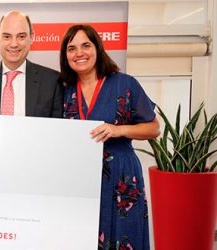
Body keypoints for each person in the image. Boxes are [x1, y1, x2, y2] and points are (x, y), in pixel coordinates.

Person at [60, 24, 160, 249]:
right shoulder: (64, 91)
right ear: (65, 56)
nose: (79, 53)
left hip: (121, 177)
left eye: (86, 45)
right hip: (79, 178)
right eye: (71, 48)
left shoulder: (124, 84)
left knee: (124, 236)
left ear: (98, 47)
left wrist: (119, 129)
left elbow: (154, 127)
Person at [0, 10, 62, 120]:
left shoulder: (51, 81)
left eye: (21, 37)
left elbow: (58, 129)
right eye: (7, 37)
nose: (14, 44)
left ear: (32, 37)